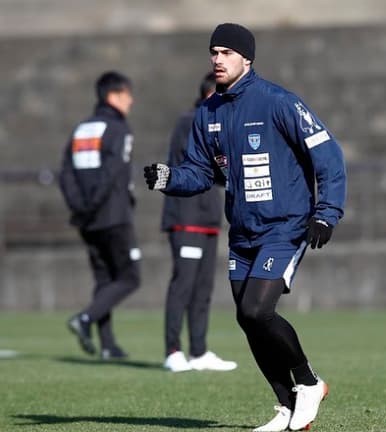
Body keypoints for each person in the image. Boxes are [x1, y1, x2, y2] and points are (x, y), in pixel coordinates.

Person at [144, 23, 346, 431]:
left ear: (246, 58)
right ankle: (287, 407)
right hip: (242, 232)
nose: (217, 59)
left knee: (257, 309)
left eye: (225, 52)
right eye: (213, 52)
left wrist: (326, 213)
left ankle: (309, 382)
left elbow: (329, 156)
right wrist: (170, 178)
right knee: (246, 318)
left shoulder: (278, 102)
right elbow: (201, 174)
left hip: (285, 226)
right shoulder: (207, 112)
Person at [59, 71, 141, 360]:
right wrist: (92, 205)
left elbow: (65, 173)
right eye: (127, 94)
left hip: (87, 219)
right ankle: (85, 318)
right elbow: (111, 173)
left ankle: (108, 345)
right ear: (113, 96)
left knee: (105, 280)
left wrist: (79, 207)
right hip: (113, 216)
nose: (131, 100)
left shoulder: (81, 129)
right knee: (130, 278)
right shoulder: (119, 129)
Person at [161, 72, 237, 372]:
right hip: (186, 218)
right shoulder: (189, 121)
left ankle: (199, 350)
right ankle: (172, 350)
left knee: (204, 288)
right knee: (183, 285)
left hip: (208, 219)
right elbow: (198, 164)